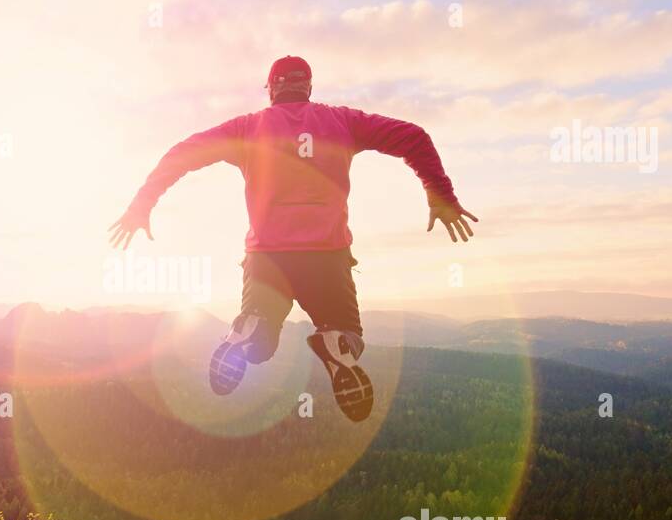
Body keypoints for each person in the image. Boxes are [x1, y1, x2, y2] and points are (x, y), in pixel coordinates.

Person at [108, 56, 477, 421]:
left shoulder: (248, 128)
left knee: (260, 346)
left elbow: (183, 153)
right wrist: (439, 192)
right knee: (350, 337)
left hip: (266, 259)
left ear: (272, 91)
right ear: (309, 88)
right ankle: (335, 342)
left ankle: (250, 328)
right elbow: (414, 137)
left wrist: (142, 205)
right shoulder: (342, 121)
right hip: (328, 257)